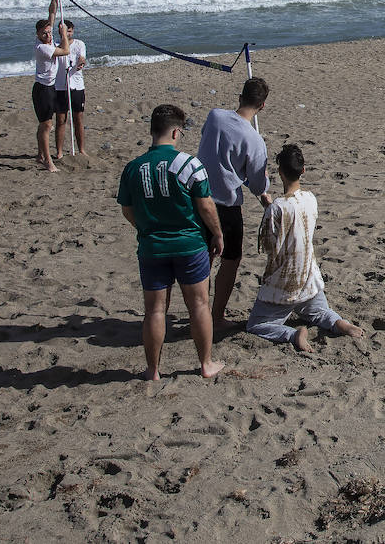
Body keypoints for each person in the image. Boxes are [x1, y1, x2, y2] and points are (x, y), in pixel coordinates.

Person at [117, 104, 225, 380]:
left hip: (153, 245)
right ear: (176, 132)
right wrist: (217, 233)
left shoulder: (133, 168)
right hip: (188, 244)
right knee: (199, 305)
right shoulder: (189, 164)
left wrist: (145, 227)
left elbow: (127, 210)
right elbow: (206, 206)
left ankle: (153, 369)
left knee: (154, 310)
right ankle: (206, 363)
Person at [247, 143, 364, 351]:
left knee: (257, 325)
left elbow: (268, 245)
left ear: (280, 173)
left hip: (283, 281)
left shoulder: (277, 208)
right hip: (308, 275)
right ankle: (340, 323)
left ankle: (292, 334)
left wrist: (267, 208)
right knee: (319, 312)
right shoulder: (310, 198)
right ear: (303, 170)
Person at [196, 77, 271, 327]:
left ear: (240, 97)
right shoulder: (254, 140)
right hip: (225, 205)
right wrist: (263, 184)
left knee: (204, 258)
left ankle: (201, 312)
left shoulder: (215, 116)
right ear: (262, 106)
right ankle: (215, 316)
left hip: (199, 198)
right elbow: (259, 185)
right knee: (230, 260)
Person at [32, 0, 71, 172]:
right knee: (47, 125)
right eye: (44, 33)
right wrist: (64, 34)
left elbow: (52, 12)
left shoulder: (48, 38)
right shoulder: (43, 47)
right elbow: (65, 50)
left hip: (51, 87)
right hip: (43, 89)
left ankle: (41, 155)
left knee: (45, 124)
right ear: (38, 35)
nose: (48, 34)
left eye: (49, 32)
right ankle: (48, 161)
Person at [52, 19, 88, 159]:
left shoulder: (79, 44)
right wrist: (63, 39)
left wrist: (81, 63)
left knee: (78, 118)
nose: (67, 33)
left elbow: (82, 58)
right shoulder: (55, 45)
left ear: (72, 30)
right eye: (64, 30)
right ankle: (59, 152)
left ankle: (81, 150)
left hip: (77, 85)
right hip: (60, 86)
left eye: (69, 30)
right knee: (61, 119)